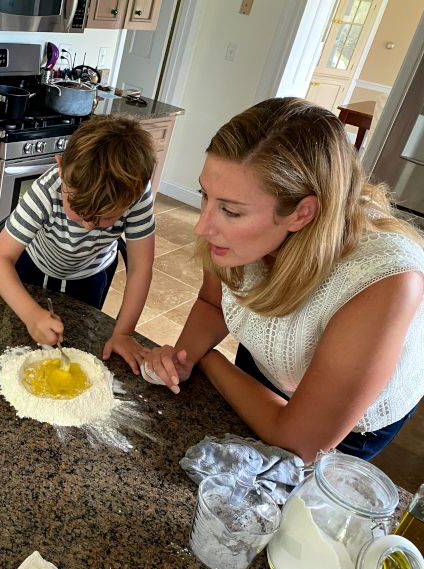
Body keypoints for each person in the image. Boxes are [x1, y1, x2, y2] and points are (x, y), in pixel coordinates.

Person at [144, 97, 424, 464]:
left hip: (347, 426)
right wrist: (183, 359)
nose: (203, 225)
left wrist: (207, 360)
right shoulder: (236, 234)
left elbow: (299, 442)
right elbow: (213, 304)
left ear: (302, 213)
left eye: (230, 210)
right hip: (273, 363)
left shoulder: (384, 281)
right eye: (205, 196)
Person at [0, 115, 157, 374]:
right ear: (61, 168)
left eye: (107, 218)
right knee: (22, 344)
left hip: (91, 276)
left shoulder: (137, 195)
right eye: (79, 210)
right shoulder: (47, 189)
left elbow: (140, 268)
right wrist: (31, 313)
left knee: (78, 344)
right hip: (34, 268)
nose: (88, 226)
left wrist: (123, 333)